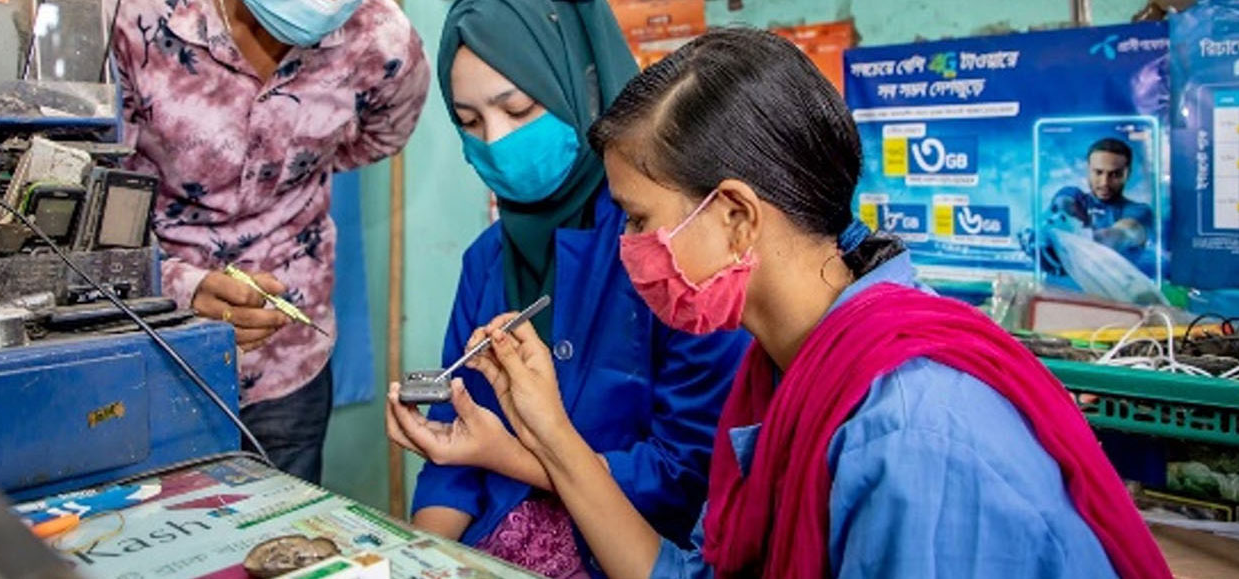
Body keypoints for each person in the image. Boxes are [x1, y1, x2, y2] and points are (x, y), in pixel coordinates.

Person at [462, 28, 1170, 578]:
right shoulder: (782, 373)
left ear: (737, 216)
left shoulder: (912, 431)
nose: (629, 248)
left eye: (639, 219)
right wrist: (548, 429)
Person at [383, 0, 748, 578]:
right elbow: (453, 442)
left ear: (584, 87)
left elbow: (685, 473)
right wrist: (420, 562)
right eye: (470, 121)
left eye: (519, 110)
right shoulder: (487, 259)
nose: (496, 141)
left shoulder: (671, 250)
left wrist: (513, 456)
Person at [105, 0, 428, 483]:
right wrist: (181, 285)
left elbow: (375, 138)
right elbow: (72, 212)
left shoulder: (384, 42)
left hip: (291, 364)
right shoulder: (123, 10)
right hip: (141, 347)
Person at [1050, 137, 1155, 266]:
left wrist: (1083, 238)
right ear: (1088, 170)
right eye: (1098, 172)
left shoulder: (1139, 211)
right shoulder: (1073, 195)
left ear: (1127, 174)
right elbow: (1062, 207)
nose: (1105, 183)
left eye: (1115, 174)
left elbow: (1120, 234)